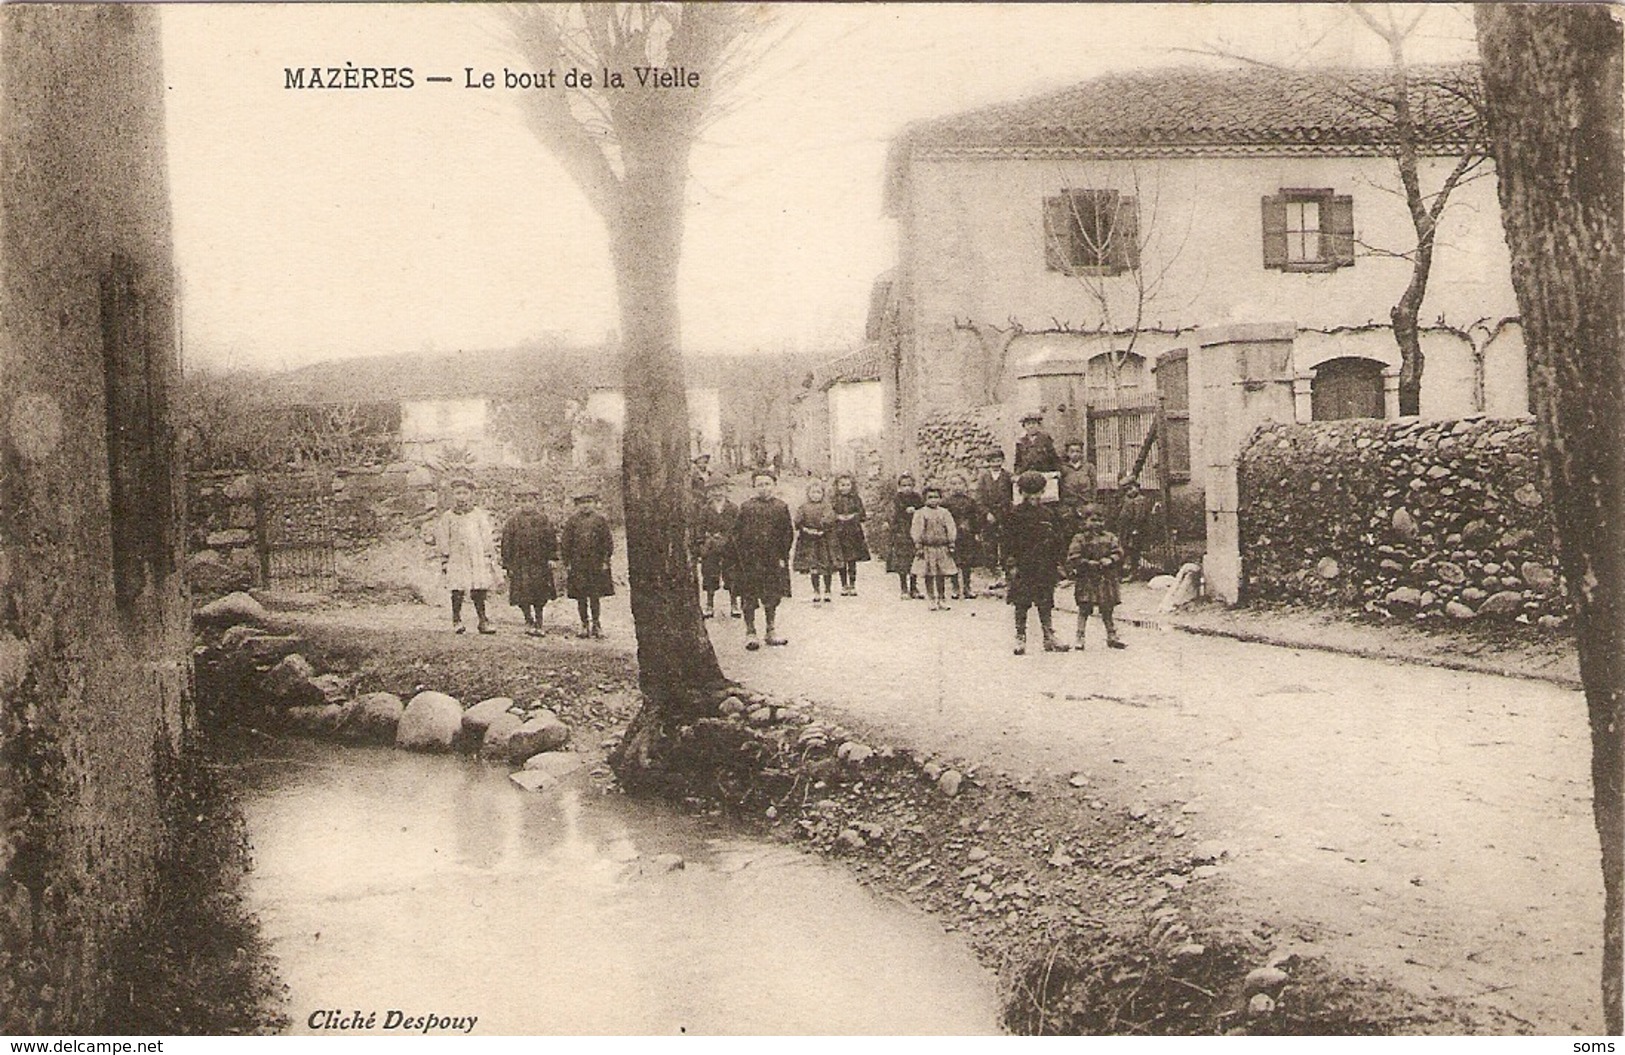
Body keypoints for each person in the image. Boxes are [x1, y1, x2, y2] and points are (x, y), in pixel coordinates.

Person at [1003, 470, 1069, 654]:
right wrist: (1011, 565)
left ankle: (1049, 636)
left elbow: (1057, 539)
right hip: (1023, 564)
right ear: (1021, 492)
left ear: (1043, 492)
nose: (1033, 496)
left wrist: (1058, 562)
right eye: (1028, 492)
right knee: (1021, 602)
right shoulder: (1014, 515)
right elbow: (1007, 542)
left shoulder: (1048, 513)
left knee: (1046, 601)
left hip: (1044, 564)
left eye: (1038, 492)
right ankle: (1020, 637)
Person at [730, 470, 794, 650]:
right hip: (750, 560)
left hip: (772, 559)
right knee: (749, 595)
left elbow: (787, 534)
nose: (763, 488)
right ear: (753, 487)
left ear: (774, 486)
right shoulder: (746, 507)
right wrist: (741, 555)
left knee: (772, 595)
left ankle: (770, 630)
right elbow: (737, 533)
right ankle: (750, 632)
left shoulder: (780, 507)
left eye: (767, 484)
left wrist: (782, 556)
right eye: (759, 484)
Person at [436, 476, 502, 635]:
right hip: (457, 556)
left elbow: (486, 535)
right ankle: (456, 620)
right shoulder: (448, 516)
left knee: (478, 587)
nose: (461, 497)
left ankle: (482, 620)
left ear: (471, 494)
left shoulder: (478, 514)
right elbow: (443, 537)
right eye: (458, 493)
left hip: (476, 555)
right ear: (453, 495)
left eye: (465, 493)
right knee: (457, 587)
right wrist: (445, 558)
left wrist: (488, 555)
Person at [1066, 503, 1127, 650]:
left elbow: (1119, 552)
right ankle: (1080, 636)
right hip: (1087, 578)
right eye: (1093, 520)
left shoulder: (1110, 537)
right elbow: (1073, 556)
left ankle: (1111, 635)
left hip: (1106, 578)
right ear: (1085, 521)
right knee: (1084, 608)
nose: (1097, 524)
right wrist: (1087, 563)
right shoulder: (1079, 538)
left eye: (1100, 520)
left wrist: (1111, 559)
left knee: (1107, 608)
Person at [500, 481, 557, 637]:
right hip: (520, 564)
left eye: (530, 501)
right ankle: (528, 619)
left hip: (539, 563)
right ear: (518, 503)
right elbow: (506, 544)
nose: (527, 504)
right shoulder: (512, 522)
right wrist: (507, 564)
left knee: (539, 594)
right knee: (522, 594)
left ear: (536, 501)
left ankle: (539, 622)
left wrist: (552, 557)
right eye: (523, 501)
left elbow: (551, 539)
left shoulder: (543, 519)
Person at [560, 491, 614, 639]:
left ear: (594, 503)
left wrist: (605, 560)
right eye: (582, 503)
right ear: (578, 505)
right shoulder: (572, 522)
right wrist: (567, 562)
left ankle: (597, 624)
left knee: (595, 596)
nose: (585, 506)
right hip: (578, 564)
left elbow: (607, 542)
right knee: (581, 596)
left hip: (595, 563)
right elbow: (566, 543)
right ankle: (584, 624)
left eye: (588, 502)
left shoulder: (600, 520)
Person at [694, 479, 740, 619]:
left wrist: (731, 539)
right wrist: (703, 543)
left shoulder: (733, 508)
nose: (718, 493)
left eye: (721, 489)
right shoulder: (705, 509)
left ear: (726, 490)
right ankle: (709, 605)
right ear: (709, 492)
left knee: (731, 575)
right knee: (709, 574)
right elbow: (700, 528)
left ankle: (734, 604)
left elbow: (738, 527)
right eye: (714, 490)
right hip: (711, 546)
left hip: (729, 546)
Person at [910, 485, 959, 611]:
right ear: (925, 499)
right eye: (930, 497)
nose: (933, 500)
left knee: (941, 574)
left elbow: (951, 528)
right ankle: (931, 598)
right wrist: (918, 544)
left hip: (942, 548)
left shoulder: (945, 513)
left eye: (936, 497)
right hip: (928, 548)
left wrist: (951, 542)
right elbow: (917, 529)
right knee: (929, 574)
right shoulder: (921, 513)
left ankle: (942, 598)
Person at [793, 479, 838, 603]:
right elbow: (798, 521)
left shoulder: (826, 506)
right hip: (809, 541)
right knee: (813, 567)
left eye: (818, 492)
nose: (815, 495)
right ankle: (816, 591)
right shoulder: (803, 507)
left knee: (826, 566)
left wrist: (823, 529)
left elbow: (830, 520)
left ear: (823, 494)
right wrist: (806, 529)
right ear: (808, 493)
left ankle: (828, 590)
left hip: (824, 540)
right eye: (813, 492)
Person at [940, 472, 983, 600]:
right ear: (949, 486)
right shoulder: (945, 503)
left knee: (967, 562)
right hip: (953, 535)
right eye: (953, 484)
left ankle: (967, 587)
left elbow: (975, 518)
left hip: (967, 535)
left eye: (960, 483)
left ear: (965, 485)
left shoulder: (970, 501)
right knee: (954, 561)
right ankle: (955, 587)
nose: (957, 486)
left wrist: (976, 532)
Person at [829, 472, 870, 596]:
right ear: (837, 486)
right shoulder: (834, 499)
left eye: (848, 485)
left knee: (852, 560)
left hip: (853, 532)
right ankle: (843, 585)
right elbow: (829, 514)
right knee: (841, 559)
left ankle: (852, 584)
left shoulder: (856, 499)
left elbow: (862, 514)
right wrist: (838, 517)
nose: (845, 487)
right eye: (842, 485)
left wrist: (853, 516)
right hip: (839, 532)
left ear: (852, 486)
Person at [976, 448, 1013, 580]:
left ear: (1002, 461)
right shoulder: (983, 477)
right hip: (989, 516)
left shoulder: (1007, 476)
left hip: (1005, 514)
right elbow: (979, 498)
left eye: (998, 461)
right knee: (989, 545)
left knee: (1006, 543)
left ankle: (1006, 572)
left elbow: (1012, 495)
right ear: (988, 462)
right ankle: (993, 573)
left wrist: (1007, 512)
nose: (996, 464)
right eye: (993, 461)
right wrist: (987, 513)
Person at [886, 472, 925, 599]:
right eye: (904, 485)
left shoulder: (917, 498)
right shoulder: (897, 499)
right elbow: (894, 514)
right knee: (903, 560)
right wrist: (904, 512)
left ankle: (914, 587)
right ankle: (904, 587)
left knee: (915, 559)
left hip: (914, 530)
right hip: (902, 532)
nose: (907, 488)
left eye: (909, 485)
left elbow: (923, 510)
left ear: (913, 485)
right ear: (899, 487)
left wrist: (916, 511)